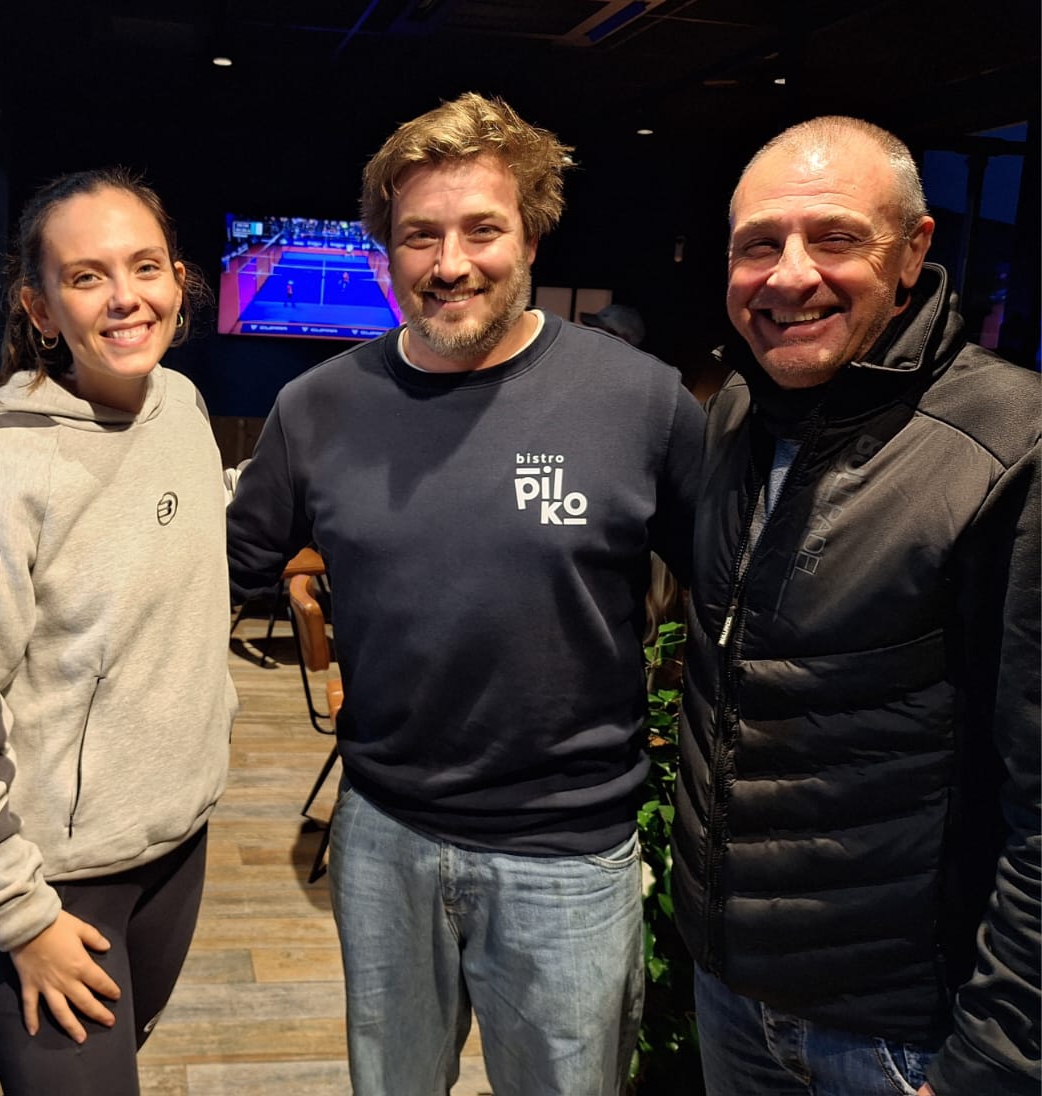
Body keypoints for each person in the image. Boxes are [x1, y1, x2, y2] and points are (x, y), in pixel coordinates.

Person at [227, 91, 704, 1096]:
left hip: (569, 857)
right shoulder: (315, 407)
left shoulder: (641, 401)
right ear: (386, 250)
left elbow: (739, 590)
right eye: (420, 235)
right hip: (381, 837)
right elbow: (213, 576)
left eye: (481, 229)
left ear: (530, 233)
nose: (450, 262)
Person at [672, 116, 1040, 1096]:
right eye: (759, 244)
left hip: (903, 1041)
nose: (789, 275)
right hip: (731, 995)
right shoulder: (740, 413)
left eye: (834, 237)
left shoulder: (1015, 448)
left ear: (913, 252)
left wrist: (995, 1062)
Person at [0, 167, 236, 1096]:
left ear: (178, 281)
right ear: (40, 307)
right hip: (53, 881)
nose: (126, 297)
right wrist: (19, 914)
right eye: (88, 276)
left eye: (146, 266)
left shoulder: (184, 408)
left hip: (176, 846)